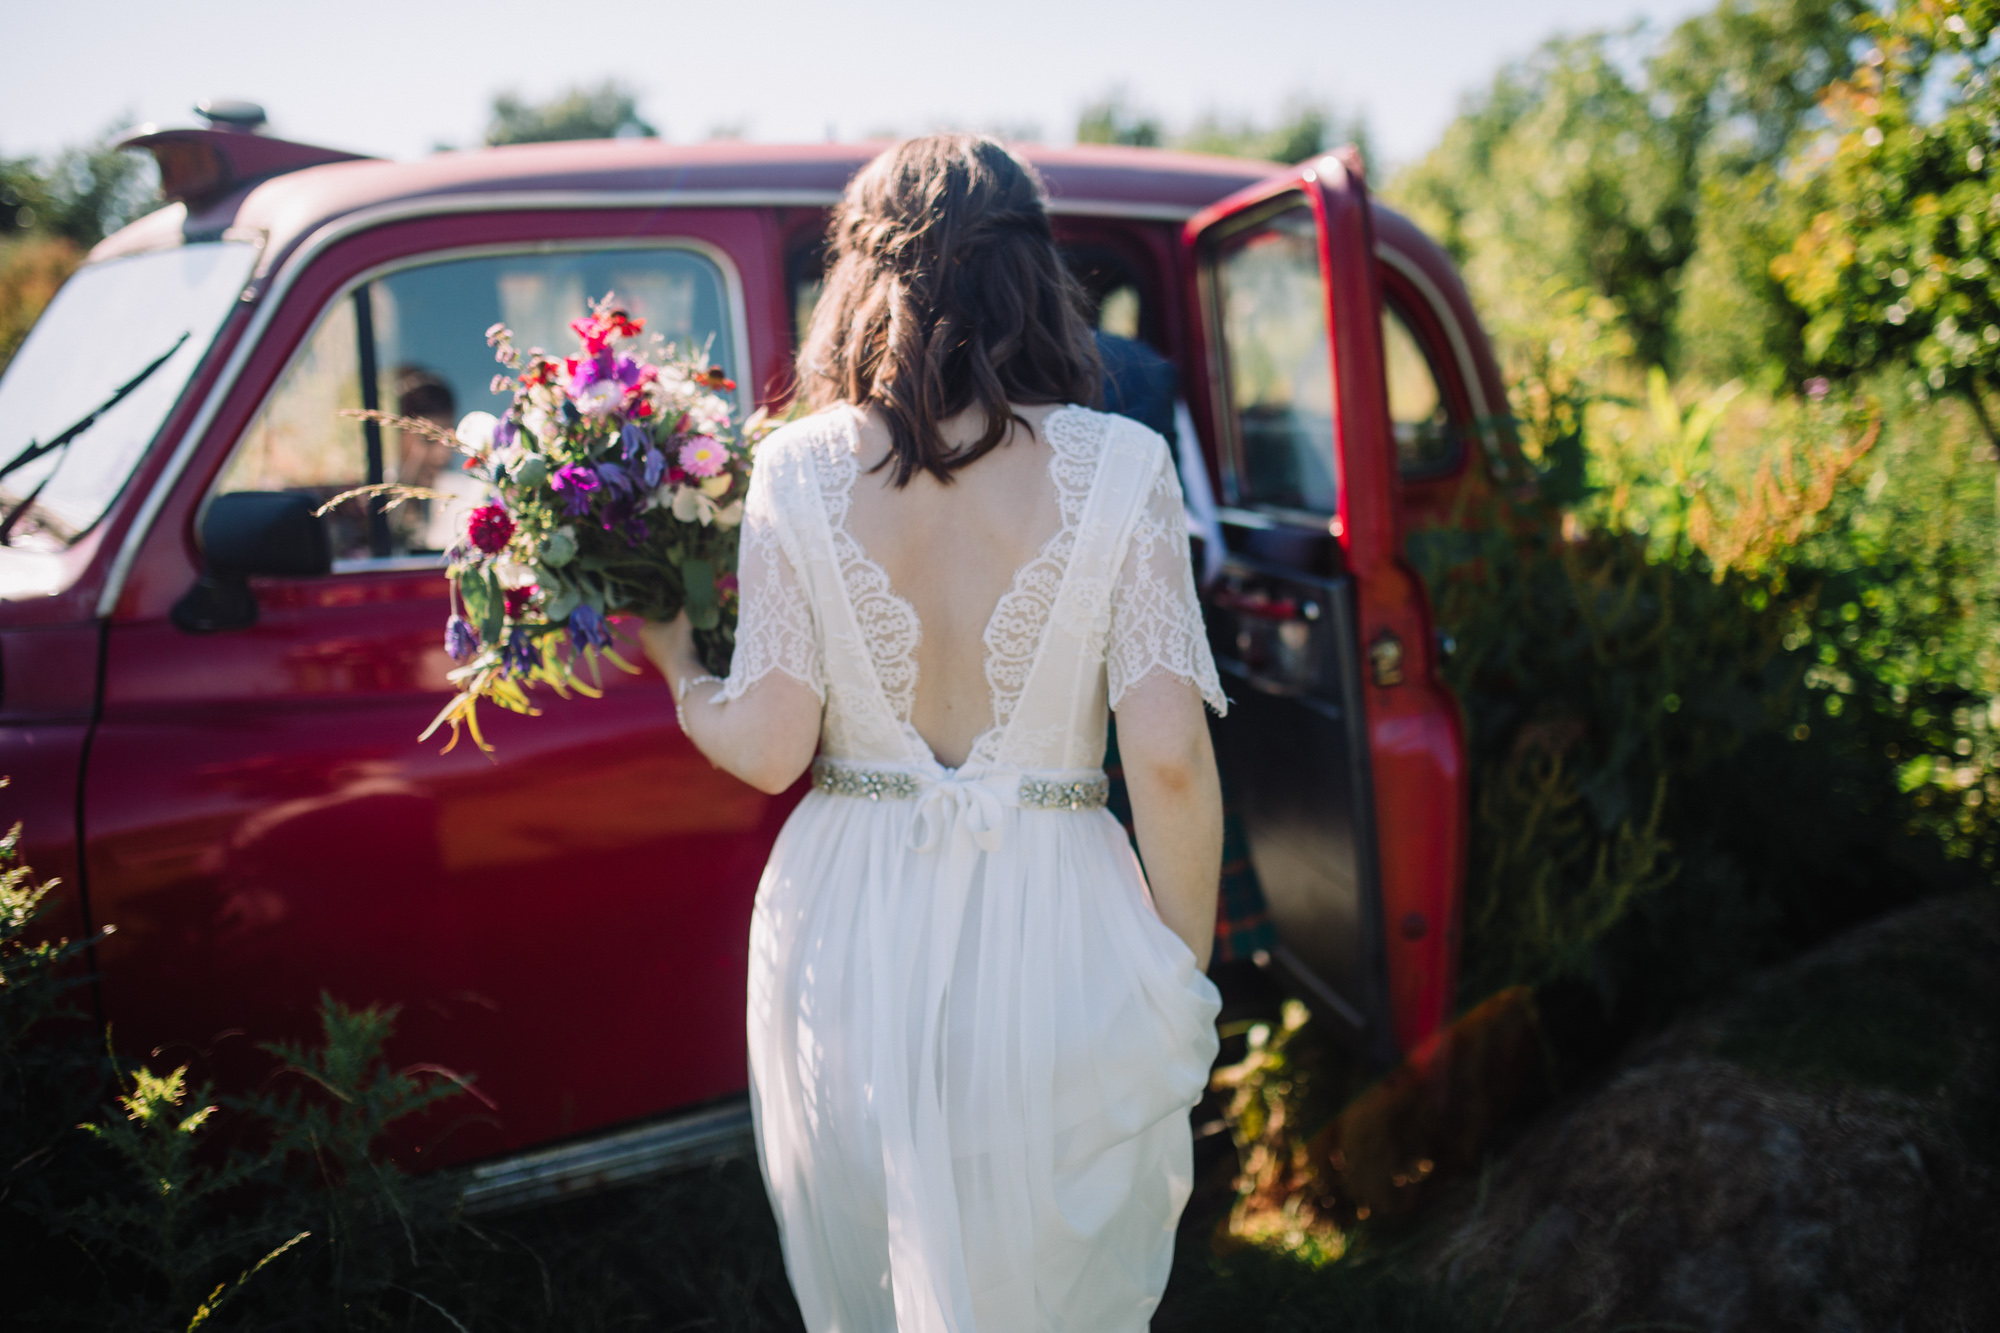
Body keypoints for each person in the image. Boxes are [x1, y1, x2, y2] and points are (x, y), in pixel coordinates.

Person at [640, 134, 1226, 1332]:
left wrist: (675, 664)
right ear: (1031, 273)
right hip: (1059, 908)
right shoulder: (1125, 464)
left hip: (850, 917)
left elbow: (764, 747)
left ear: (856, 279)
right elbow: (1165, 756)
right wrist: (1177, 973)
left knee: (885, 1253)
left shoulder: (795, 471)